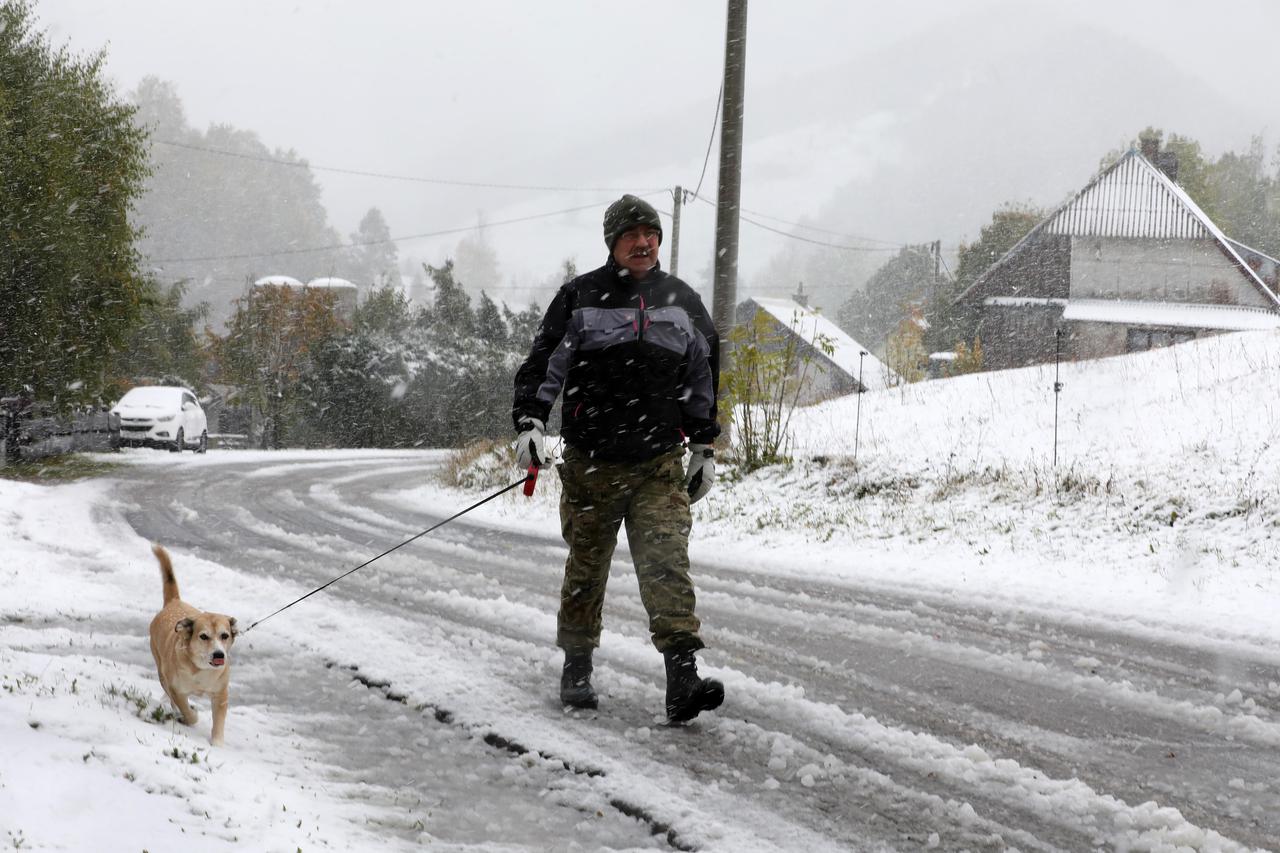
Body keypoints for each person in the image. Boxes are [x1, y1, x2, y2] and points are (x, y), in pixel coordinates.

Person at [512, 194, 724, 723]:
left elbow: (701, 376)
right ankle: (577, 667)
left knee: (667, 563)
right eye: (631, 234)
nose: (643, 242)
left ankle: (682, 678)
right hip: (592, 464)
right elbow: (545, 363)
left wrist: (703, 446)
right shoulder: (580, 296)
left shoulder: (682, 300)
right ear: (612, 242)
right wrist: (531, 422)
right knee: (587, 567)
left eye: (650, 233)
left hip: (658, 464)